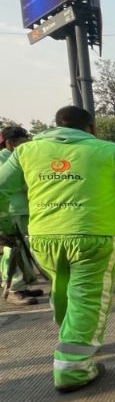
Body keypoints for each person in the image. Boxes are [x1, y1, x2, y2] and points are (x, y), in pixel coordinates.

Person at [0, 106, 115, 392]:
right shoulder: (109, 150)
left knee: (62, 289)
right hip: (93, 235)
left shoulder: (26, 152)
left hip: (44, 237)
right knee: (87, 297)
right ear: (91, 128)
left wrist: (3, 226)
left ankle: (71, 339)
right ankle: (73, 368)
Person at [0, 125, 42, 305]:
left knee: (24, 249)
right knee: (11, 250)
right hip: (9, 211)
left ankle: (24, 285)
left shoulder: (21, 156)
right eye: (21, 143)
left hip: (24, 209)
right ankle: (13, 289)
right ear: (9, 144)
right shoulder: (4, 159)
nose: (25, 146)